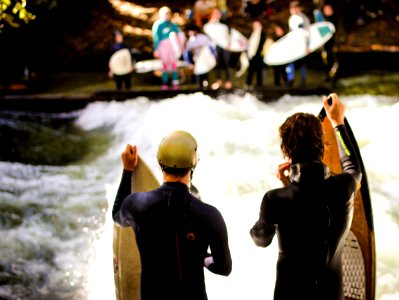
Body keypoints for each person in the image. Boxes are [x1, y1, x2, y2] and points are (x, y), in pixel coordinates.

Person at [250, 93, 362, 300]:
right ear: (321, 145)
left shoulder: (275, 200)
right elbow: (354, 168)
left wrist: (283, 193)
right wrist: (338, 121)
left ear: (286, 151)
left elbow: (261, 240)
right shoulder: (344, 186)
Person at [113, 130, 232, 299]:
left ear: (160, 162)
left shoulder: (137, 205)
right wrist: (201, 257)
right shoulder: (209, 214)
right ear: (193, 164)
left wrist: (128, 170)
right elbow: (224, 267)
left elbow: (117, 216)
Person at [152, 6, 186, 90]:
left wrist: (181, 46)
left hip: (172, 47)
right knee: (165, 65)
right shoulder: (158, 25)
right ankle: (165, 84)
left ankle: (175, 83)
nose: (166, 16)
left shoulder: (172, 25)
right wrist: (156, 49)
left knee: (174, 64)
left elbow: (179, 35)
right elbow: (156, 38)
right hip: (162, 47)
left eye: (167, 14)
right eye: (164, 14)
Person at [204, 7, 233, 90]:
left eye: (218, 13)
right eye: (215, 13)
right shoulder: (209, 25)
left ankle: (228, 81)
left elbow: (229, 34)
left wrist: (228, 44)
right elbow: (207, 32)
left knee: (227, 63)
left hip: (225, 46)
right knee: (217, 63)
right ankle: (218, 80)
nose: (216, 15)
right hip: (215, 46)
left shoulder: (224, 24)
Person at [183, 23, 215, 89]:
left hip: (205, 59)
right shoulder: (190, 41)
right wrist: (190, 63)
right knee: (198, 74)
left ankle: (206, 86)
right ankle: (199, 87)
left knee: (205, 73)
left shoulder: (203, 38)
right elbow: (187, 53)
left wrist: (213, 56)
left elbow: (210, 47)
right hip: (196, 60)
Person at [288, 0, 310, 86]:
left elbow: (304, 33)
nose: (293, 10)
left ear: (299, 9)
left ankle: (303, 80)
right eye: (292, 9)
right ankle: (290, 80)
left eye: (295, 8)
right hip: (294, 45)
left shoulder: (302, 19)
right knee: (290, 62)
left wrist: (306, 46)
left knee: (302, 63)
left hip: (302, 44)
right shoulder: (292, 18)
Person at [246, 19, 266, 89]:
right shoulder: (252, 34)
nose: (255, 26)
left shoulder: (262, 34)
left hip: (259, 55)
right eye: (254, 25)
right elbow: (250, 45)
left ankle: (259, 85)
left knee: (259, 71)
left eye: (257, 24)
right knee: (251, 70)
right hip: (252, 55)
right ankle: (248, 84)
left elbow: (262, 45)